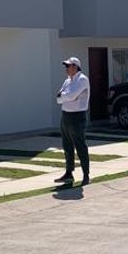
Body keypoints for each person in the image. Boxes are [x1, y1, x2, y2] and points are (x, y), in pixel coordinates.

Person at [55, 56, 90, 185]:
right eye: (66, 66)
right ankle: (69, 173)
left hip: (77, 116)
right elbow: (58, 98)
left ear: (75, 67)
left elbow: (71, 95)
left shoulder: (82, 79)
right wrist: (67, 96)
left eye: (68, 66)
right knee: (67, 146)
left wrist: (66, 96)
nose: (66, 68)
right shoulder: (67, 81)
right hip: (66, 116)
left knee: (80, 146)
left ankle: (86, 175)